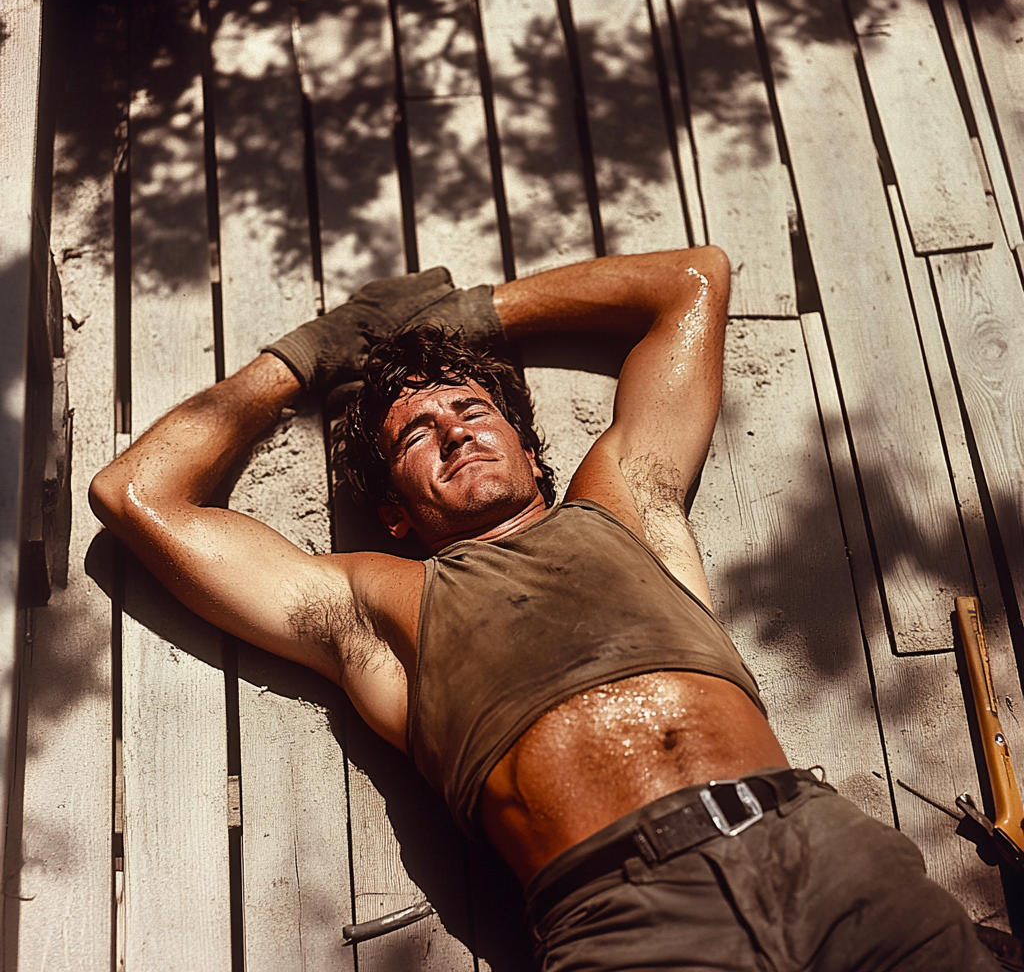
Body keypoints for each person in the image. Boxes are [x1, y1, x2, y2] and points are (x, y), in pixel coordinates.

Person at [90, 248, 1000, 970]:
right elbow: (137, 494)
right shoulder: (380, 604)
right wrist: (299, 361)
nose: (452, 427)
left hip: (821, 850)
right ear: (396, 512)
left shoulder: (624, 504)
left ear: (531, 453)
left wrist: (479, 313)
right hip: (630, 915)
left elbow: (693, 281)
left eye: (471, 407)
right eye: (416, 432)